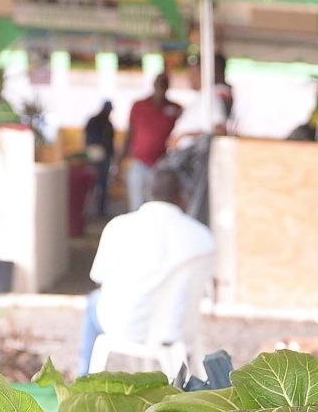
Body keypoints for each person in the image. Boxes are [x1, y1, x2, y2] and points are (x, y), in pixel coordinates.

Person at [78, 167, 217, 374]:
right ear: (181, 196)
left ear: (149, 193)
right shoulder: (202, 236)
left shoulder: (120, 227)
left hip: (123, 324)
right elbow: (208, 284)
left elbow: (99, 278)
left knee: (93, 300)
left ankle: (83, 379)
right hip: (177, 328)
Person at [121, 72, 183, 214]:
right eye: (158, 83)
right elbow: (129, 132)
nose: (160, 87)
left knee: (158, 206)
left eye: (164, 83)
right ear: (154, 85)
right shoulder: (139, 106)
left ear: (168, 86)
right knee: (136, 205)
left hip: (162, 165)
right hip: (139, 163)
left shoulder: (176, 108)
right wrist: (121, 156)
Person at [83, 101, 117, 220]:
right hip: (95, 156)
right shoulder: (96, 121)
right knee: (93, 183)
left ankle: (99, 210)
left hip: (102, 157)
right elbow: (87, 137)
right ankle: (90, 211)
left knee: (100, 184)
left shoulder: (107, 123)